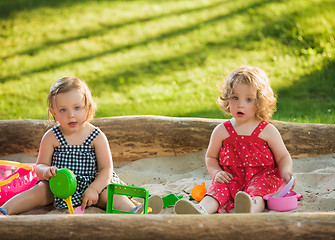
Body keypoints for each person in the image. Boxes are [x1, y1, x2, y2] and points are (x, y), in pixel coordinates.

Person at [0, 77, 162, 215]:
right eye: (63, 110)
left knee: (111, 196)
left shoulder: (96, 136)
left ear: (88, 108)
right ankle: (5, 211)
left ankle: (136, 211)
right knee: (38, 191)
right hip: (60, 187)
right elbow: (39, 166)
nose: (71, 114)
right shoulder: (51, 137)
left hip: (93, 184)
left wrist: (94, 189)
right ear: (53, 113)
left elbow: (106, 169)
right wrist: (46, 171)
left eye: (77, 108)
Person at [175, 66, 295, 214]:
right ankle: (202, 209)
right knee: (217, 191)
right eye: (235, 97)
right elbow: (211, 157)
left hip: (261, 177)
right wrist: (216, 172)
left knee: (258, 192)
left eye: (249, 99)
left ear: (260, 102)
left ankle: (250, 208)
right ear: (227, 98)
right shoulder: (222, 131)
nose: (240, 104)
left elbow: (282, 156)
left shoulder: (266, 130)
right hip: (231, 178)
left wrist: (285, 171)